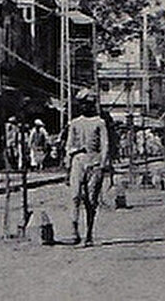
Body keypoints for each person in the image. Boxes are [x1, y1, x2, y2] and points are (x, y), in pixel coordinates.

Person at [66, 91, 109, 246]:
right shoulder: (74, 123)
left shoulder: (100, 122)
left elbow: (105, 144)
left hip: (95, 162)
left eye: (88, 104)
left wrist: (103, 164)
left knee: (91, 201)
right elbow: (69, 145)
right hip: (78, 161)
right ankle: (74, 231)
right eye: (83, 104)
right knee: (75, 196)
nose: (85, 107)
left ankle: (89, 233)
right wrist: (67, 165)